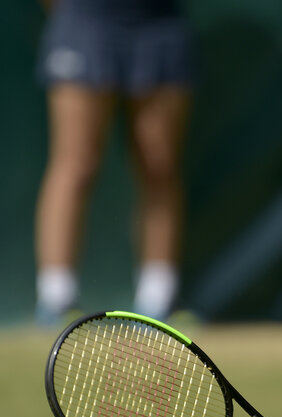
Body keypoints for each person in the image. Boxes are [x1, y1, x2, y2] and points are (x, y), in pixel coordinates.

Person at [35, 0, 193, 323]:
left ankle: (158, 302)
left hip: (159, 25)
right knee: (76, 164)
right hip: (84, 21)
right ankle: (55, 299)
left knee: (159, 164)